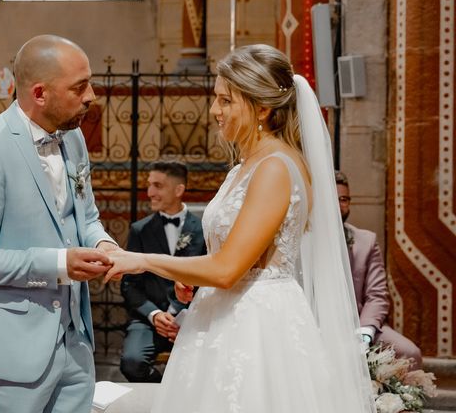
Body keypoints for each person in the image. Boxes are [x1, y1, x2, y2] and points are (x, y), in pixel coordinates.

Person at [105, 45, 376, 412]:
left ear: (262, 108)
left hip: (255, 326)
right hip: (226, 314)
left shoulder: (275, 168)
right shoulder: (247, 166)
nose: (215, 111)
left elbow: (229, 269)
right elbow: (230, 256)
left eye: (226, 101)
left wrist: (141, 260)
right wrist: (195, 276)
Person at [0, 35, 117, 412]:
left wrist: (104, 243)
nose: (91, 96)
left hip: (76, 338)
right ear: (40, 93)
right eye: (79, 87)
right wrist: (59, 264)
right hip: (14, 347)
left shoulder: (74, 139)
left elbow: (85, 215)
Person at [120, 160, 207, 382]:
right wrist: (155, 314)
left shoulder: (203, 230)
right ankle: (163, 395)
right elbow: (130, 285)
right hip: (149, 320)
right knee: (131, 363)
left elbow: (208, 279)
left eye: (158, 186)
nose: (150, 192)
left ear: (179, 190)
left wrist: (180, 313)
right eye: (149, 185)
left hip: (193, 317)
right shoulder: (140, 230)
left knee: (207, 364)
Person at [336, 170, 422, 367]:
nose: (340, 205)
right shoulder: (304, 240)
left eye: (344, 199)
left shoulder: (366, 240)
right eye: (335, 199)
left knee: (410, 353)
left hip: (360, 323)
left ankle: (391, 399)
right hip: (318, 325)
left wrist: (365, 331)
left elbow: (377, 295)